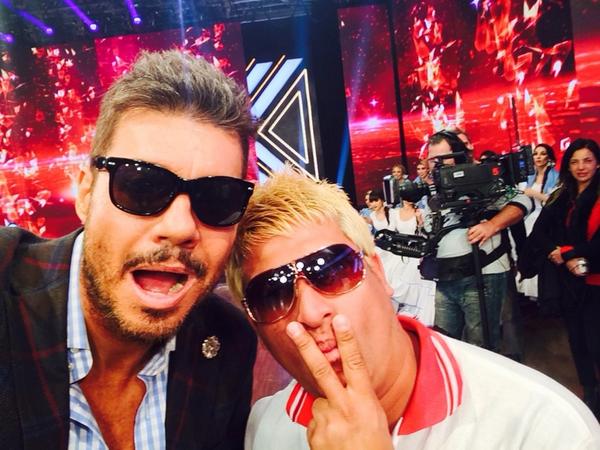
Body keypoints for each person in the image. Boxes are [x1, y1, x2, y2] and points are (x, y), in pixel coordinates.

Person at [226, 168, 600, 449]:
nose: (310, 312)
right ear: (255, 324)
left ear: (378, 272)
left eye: (332, 270)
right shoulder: (266, 429)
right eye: (271, 294)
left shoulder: (543, 428)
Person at [0, 50, 257, 449]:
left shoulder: (228, 342)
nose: (180, 228)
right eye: (142, 187)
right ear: (86, 193)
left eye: (218, 198)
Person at [425, 130, 531, 351]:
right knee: (445, 344)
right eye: (432, 159)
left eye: (442, 158)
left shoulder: (481, 178)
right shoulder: (434, 191)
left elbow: (522, 201)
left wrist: (492, 225)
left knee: (481, 346)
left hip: (482, 275)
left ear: (458, 155)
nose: (437, 164)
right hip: (445, 277)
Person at [526, 138, 600, 417]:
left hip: (596, 281)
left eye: (587, 160)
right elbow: (539, 233)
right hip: (568, 283)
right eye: (575, 161)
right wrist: (558, 254)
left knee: (596, 342)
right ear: (567, 165)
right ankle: (590, 394)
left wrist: (570, 253)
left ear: (598, 163)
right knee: (577, 341)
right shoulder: (561, 196)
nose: (581, 167)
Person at [518, 143, 559, 299]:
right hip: (529, 217)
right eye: (536, 154)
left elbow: (554, 201)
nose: (539, 157)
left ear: (549, 157)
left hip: (545, 218)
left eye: (543, 153)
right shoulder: (529, 177)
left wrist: (534, 194)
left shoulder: (556, 176)